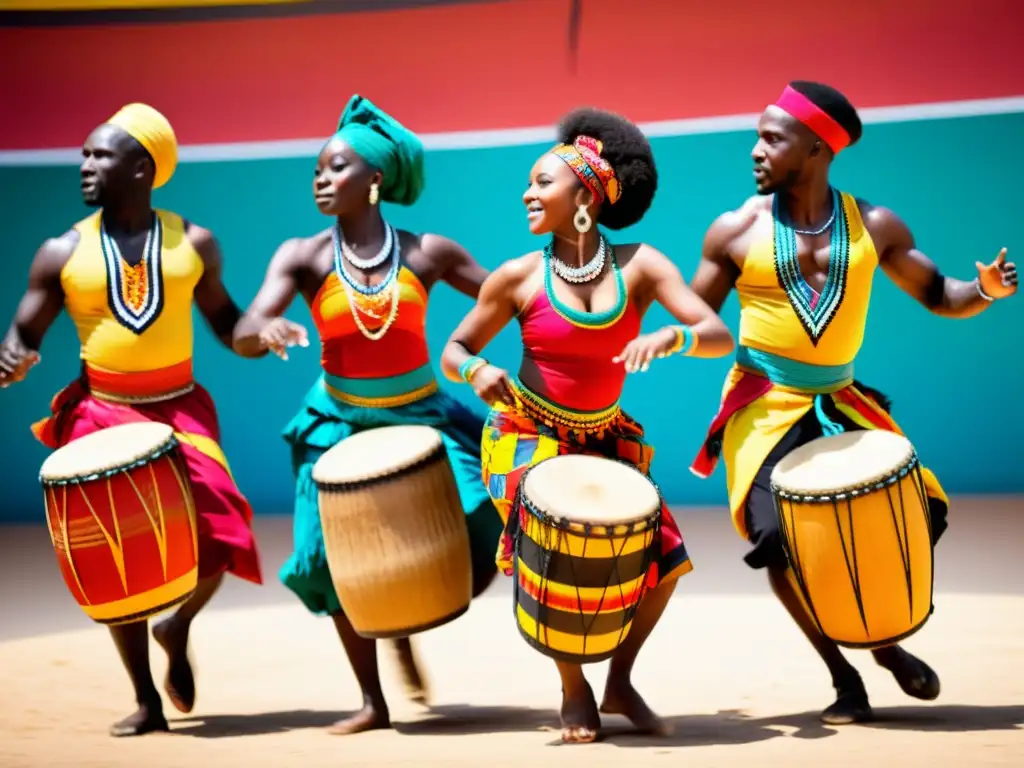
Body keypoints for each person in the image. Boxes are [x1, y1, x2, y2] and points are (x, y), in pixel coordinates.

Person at [688, 80, 1018, 725]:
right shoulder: (733, 230)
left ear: (815, 149)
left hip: (841, 398)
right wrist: (675, 336)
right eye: (757, 135)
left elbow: (940, 296)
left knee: (911, 508)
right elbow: (700, 321)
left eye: (771, 138)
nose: (755, 149)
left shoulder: (875, 226)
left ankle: (882, 641)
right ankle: (848, 674)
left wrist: (983, 293)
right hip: (762, 402)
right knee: (777, 540)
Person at [441, 107, 735, 743]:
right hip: (526, 432)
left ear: (584, 196)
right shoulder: (517, 277)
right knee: (555, 546)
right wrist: (475, 373)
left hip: (604, 436)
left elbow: (717, 334)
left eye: (541, 182)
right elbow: (455, 349)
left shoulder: (644, 266)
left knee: (665, 560)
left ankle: (619, 683)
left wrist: (672, 338)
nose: (527, 193)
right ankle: (574, 690)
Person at [232, 94, 505, 736]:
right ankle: (372, 700)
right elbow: (246, 328)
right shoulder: (304, 257)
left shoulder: (427, 252)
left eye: (336, 169)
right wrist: (265, 329)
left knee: (489, 520)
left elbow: (507, 295)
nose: (321, 181)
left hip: (423, 416)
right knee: (330, 559)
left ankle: (404, 619)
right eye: (318, 171)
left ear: (375, 180)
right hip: (335, 422)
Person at [0, 103, 263, 736]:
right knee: (117, 558)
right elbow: (23, 332)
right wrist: (12, 356)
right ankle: (146, 699)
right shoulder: (61, 250)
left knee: (229, 530)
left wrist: (263, 332)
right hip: (99, 411)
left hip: (179, 408)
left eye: (100, 155)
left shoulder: (192, 242)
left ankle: (177, 624)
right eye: (85, 154)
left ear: (142, 168)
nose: (85, 165)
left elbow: (230, 327)